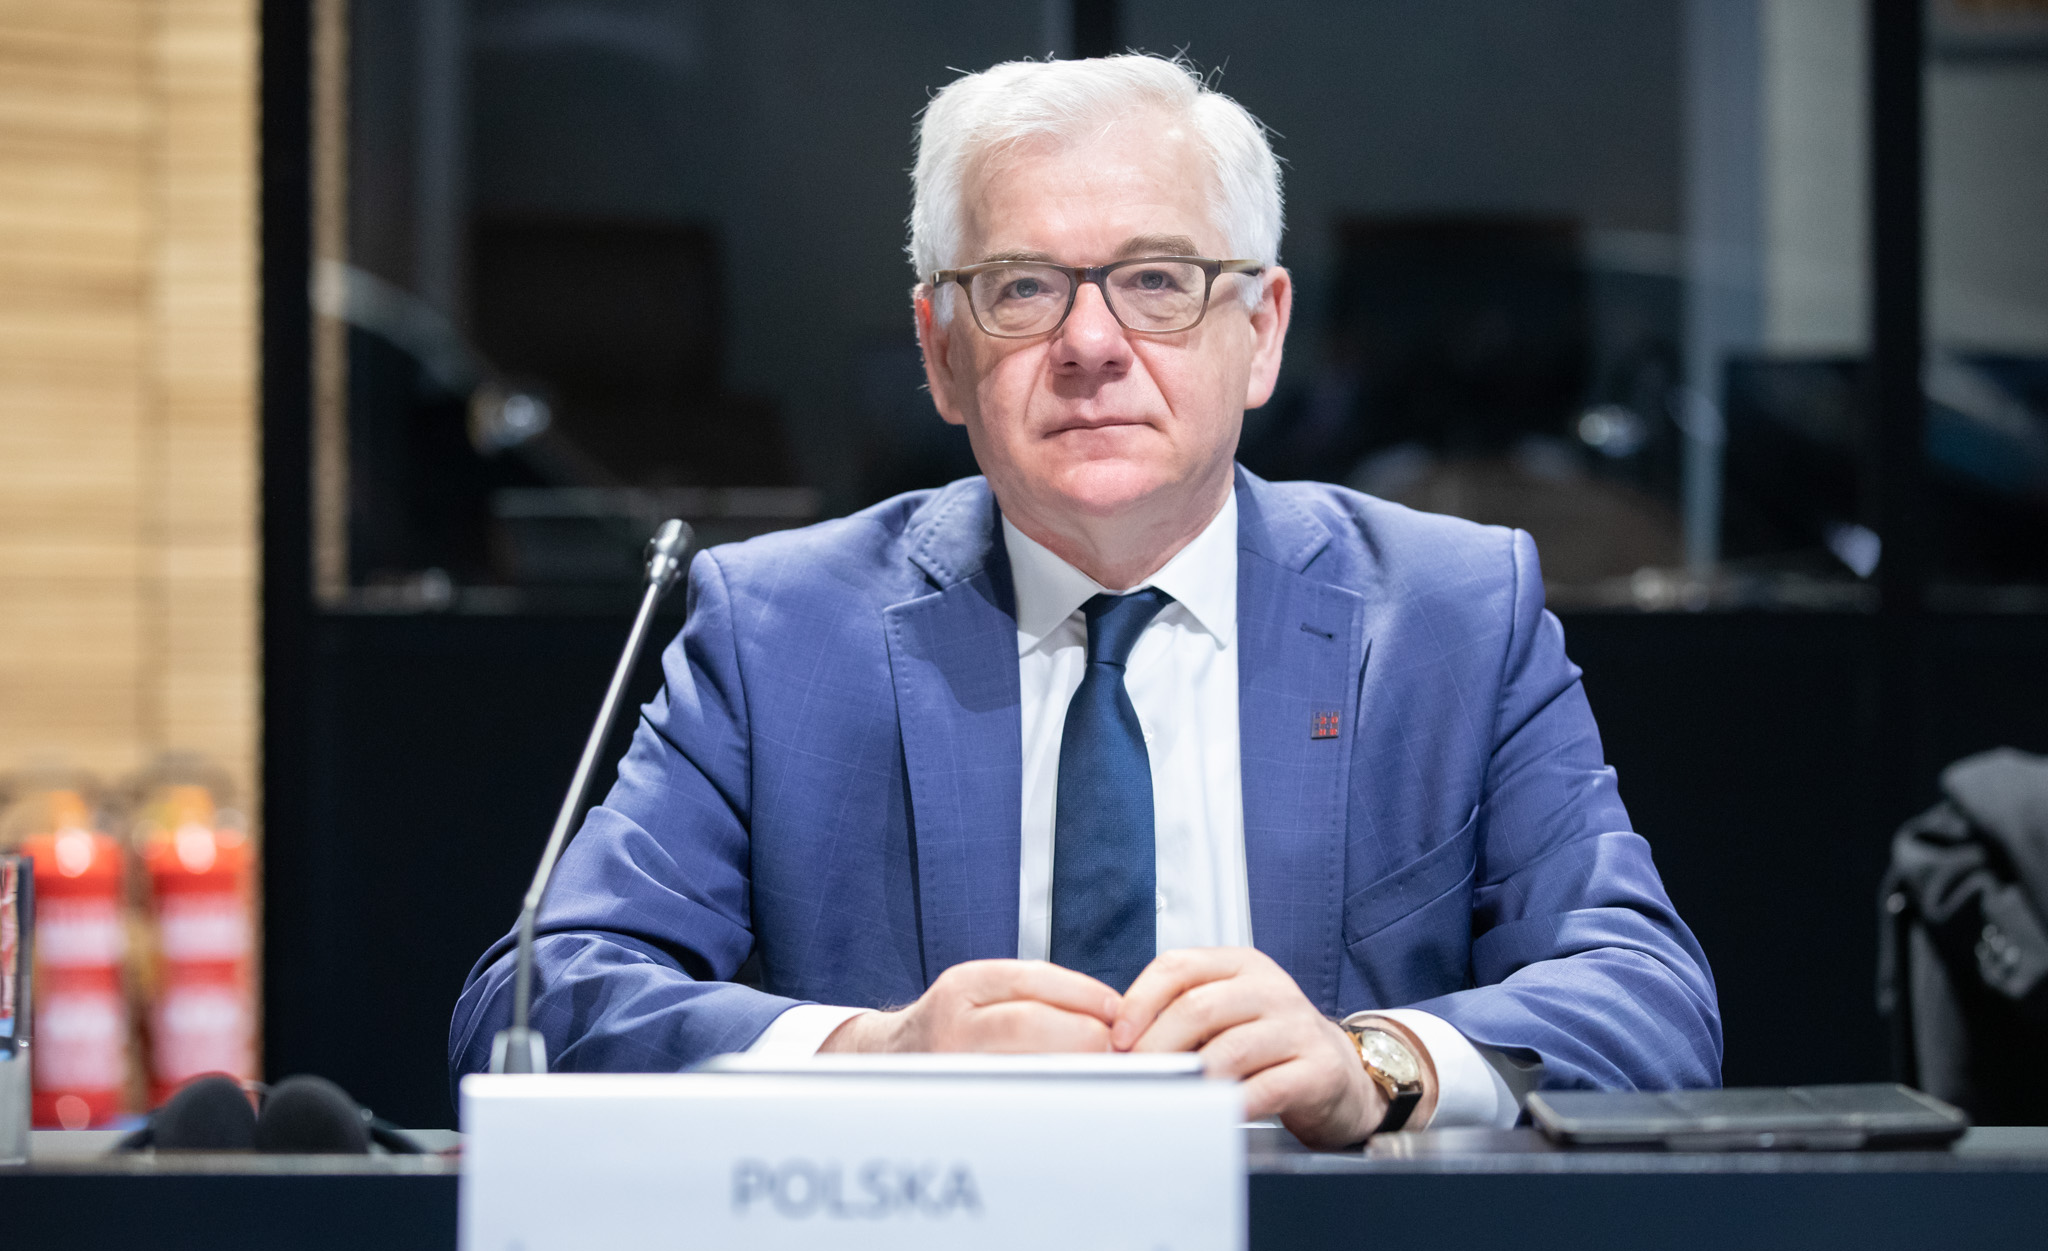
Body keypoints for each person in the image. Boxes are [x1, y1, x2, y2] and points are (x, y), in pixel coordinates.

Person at [451, 54, 1720, 1148]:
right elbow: (533, 1004)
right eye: (1021, 287)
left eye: (1157, 280)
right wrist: (872, 1057)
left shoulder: (1450, 617)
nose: (1091, 344)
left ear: (1262, 331)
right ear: (940, 353)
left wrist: (1375, 1064)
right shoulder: (777, 633)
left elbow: (1645, 1001)